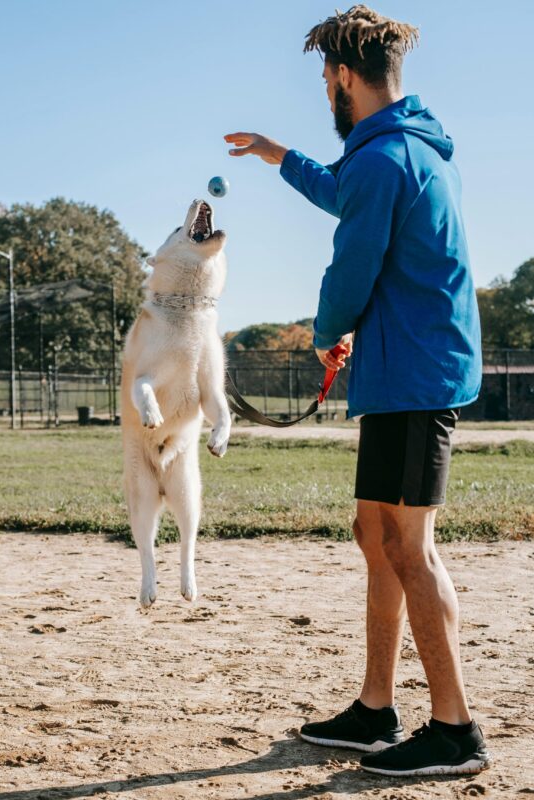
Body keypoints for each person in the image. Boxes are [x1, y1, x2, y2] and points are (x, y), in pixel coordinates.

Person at [224, 4, 490, 778]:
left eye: (324, 80)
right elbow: (348, 192)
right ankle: (376, 707)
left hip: (412, 377)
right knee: (375, 537)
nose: (324, 92)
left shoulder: (385, 160)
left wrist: (324, 327)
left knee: (410, 548)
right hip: (399, 371)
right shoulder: (401, 151)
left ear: (343, 76)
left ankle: (456, 730)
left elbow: (351, 266)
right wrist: (282, 158)